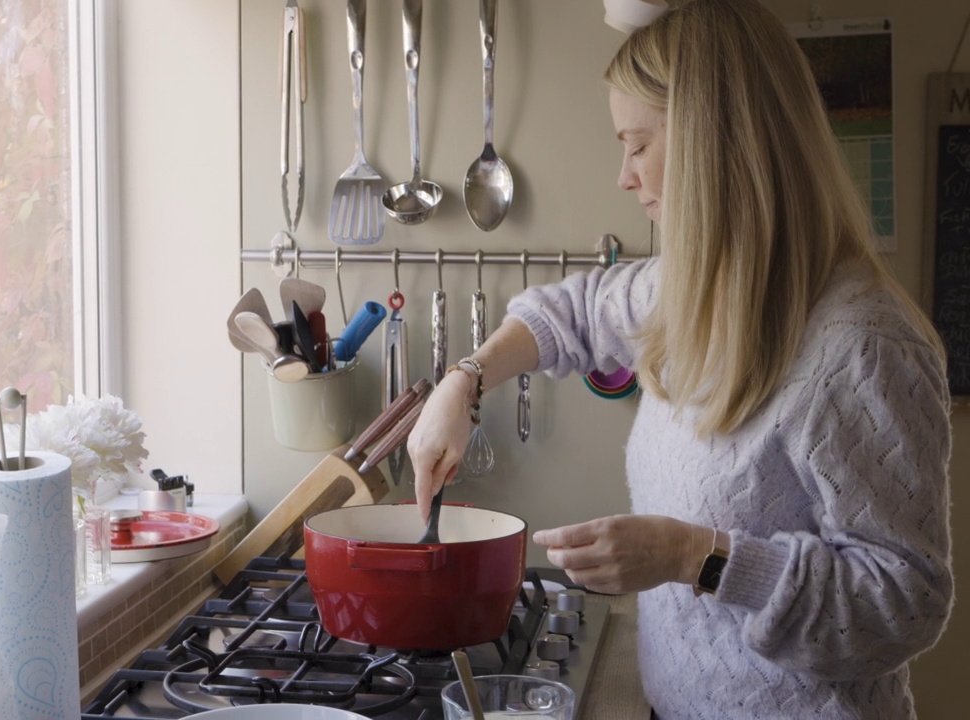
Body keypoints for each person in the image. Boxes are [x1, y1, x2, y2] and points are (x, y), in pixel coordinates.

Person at [405, 0, 954, 717]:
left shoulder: (860, 345)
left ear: (713, 144)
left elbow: (904, 605)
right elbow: (571, 312)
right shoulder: (691, 286)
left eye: (636, 144)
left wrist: (696, 558)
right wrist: (462, 381)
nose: (624, 177)